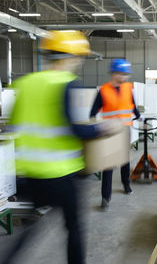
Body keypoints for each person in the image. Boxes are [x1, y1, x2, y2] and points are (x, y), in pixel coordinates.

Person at [5, 30, 113, 264]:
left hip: (28, 174)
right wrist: (102, 129)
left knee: (31, 227)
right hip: (60, 174)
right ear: (70, 57)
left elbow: (12, 126)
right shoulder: (66, 83)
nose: (79, 63)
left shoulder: (25, 83)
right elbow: (75, 129)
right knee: (73, 227)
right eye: (78, 58)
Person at [90, 58, 141, 211]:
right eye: (123, 74)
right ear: (114, 73)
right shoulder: (103, 91)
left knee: (125, 160)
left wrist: (139, 117)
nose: (126, 77)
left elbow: (132, 106)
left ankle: (126, 185)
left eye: (126, 74)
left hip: (125, 130)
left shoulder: (128, 88)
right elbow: (92, 113)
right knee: (109, 166)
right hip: (110, 133)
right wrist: (99, 127)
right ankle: (105, 197)